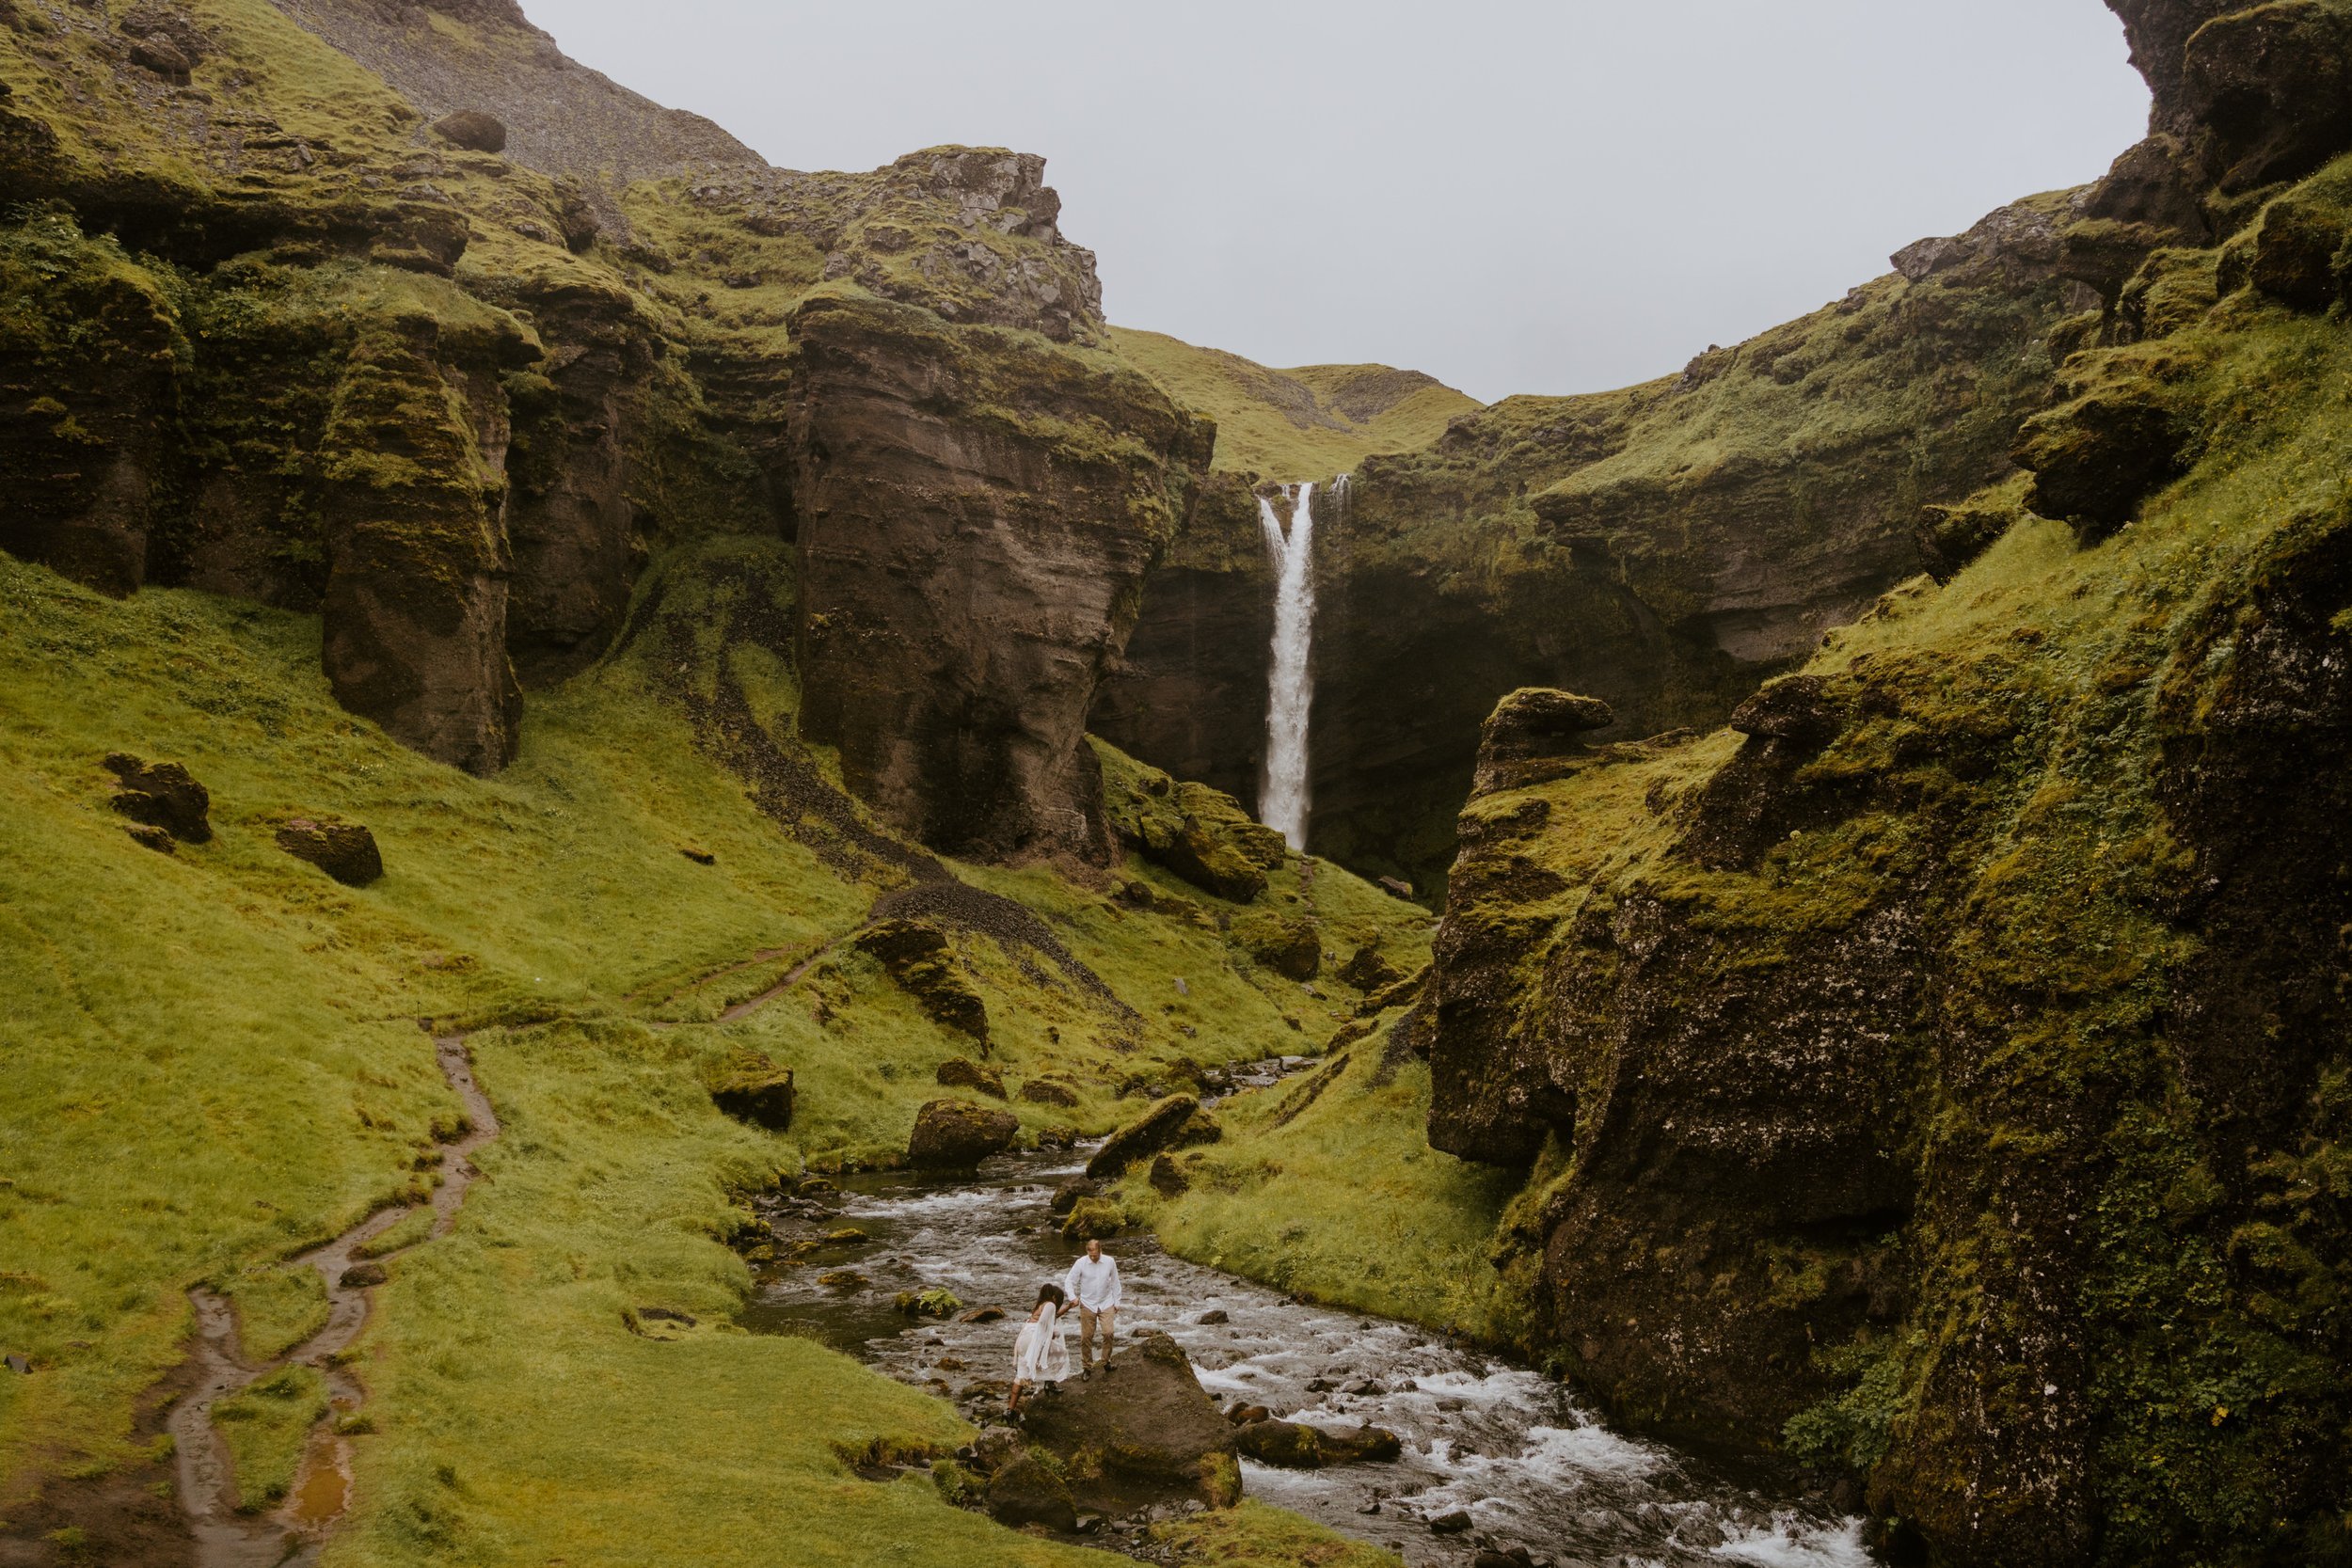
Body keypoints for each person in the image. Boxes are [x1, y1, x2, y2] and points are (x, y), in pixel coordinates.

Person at [1062, 1237, 1122, 1375]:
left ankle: (1106, 1361)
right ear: (1087, 1252)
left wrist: (1117, 1301)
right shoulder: (1081, 1263)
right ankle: (1087, 1367)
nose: (1093, 1258)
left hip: (1106, 1302)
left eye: (1095, 1255)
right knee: (1086, 1337)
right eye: (1091, 1255)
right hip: (1087, 1303)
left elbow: (1115, 1282)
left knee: (1108, 1333)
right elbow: (1069, 1281)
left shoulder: (1109, 1262)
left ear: (1100, 1250)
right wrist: (1072, 1297)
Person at [1009, 1283, 1070, 1414]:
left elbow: (1050, 1317)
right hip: (1032, 1338)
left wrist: (1069, 1306)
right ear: (1054, 1297)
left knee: (1022, 1375)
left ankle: (1009, 1411)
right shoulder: (1050, 1304)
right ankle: (1049, 1383)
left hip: (1023, 1339)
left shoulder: (1040, 1305)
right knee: (1061, 1354)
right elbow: (1042, 1322)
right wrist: (1051, 1334)